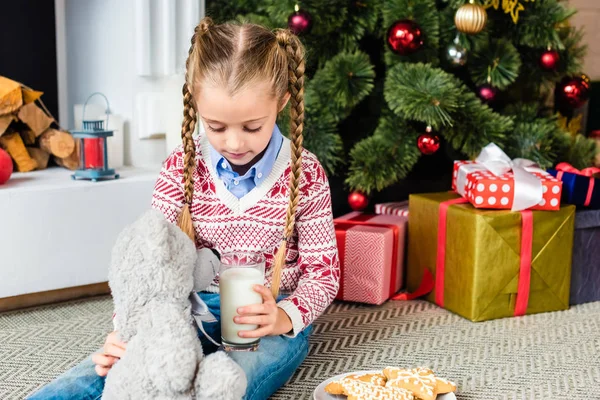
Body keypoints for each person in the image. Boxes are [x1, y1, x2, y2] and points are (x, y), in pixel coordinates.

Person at [28, 17, 339, 400]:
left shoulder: (305, 173)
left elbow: (323, 274)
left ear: (284, 99)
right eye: (216, 126)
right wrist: (127, 332)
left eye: (253, 126)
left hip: (265, 320)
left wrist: (284, 317)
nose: (234, 142)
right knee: (102, 372)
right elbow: (147, 260)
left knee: (233, 379)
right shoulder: (181, 164)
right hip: (182, 310)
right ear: (195, 99)